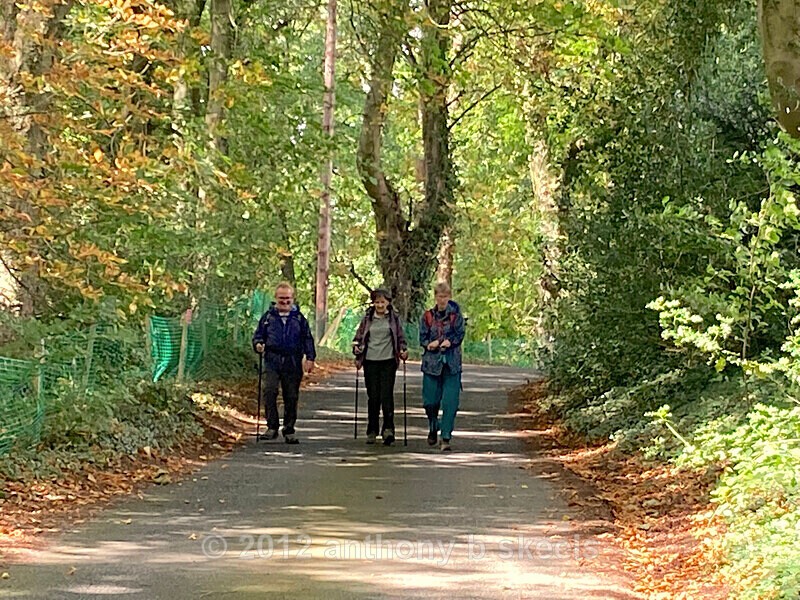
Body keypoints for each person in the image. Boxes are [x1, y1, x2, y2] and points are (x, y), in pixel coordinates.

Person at [252, 282, 316, 444]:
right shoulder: (267, 318)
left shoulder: (300, 319)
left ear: (292, 299)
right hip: (272, 359)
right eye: (282, 299)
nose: (285, 302)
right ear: (276, 298)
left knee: (291, 395)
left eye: (288, 299)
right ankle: (272, 427)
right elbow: (258, 336)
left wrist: (310, 358)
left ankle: (289, 429)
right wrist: (258, 344)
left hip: (292, 361)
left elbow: (307, 339)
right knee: (269, 391)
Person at [352, 288, 409, 445]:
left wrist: (403, 350)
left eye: (382, 302)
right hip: (370, 361)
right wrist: (356, 349)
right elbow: (358, 338)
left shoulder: (393, 319)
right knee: (373, 397)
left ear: (388, 303)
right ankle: (372, 430)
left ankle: (388, 430)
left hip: (388, 361)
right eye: (377, 302)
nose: (379, 305)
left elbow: (400, 337)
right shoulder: (367, 319)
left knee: (386, 396)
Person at [419, 281, 465, 452]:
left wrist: (450, 342)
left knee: (450, 402)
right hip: (431, 364)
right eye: (440, 296)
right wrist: (429, 344)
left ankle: (445, 437)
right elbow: (422, 338)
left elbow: (459, 335)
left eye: (445, 296)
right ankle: (433, 426)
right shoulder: (427, 316)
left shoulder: (456, 316)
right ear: (435, 297)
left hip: (452, 365)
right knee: (430, 402)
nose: (442, 299)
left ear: (449, 297)